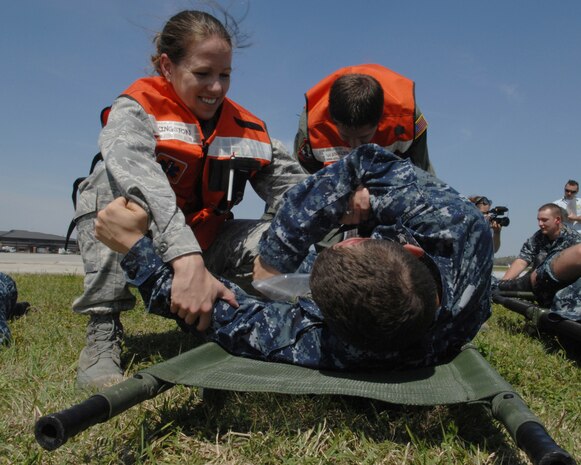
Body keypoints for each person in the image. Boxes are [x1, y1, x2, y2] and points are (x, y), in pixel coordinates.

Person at [95, 145, 493, 370]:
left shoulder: (337, 346)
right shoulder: (460, 227)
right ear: (410, 248)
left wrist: (132, 245)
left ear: (322, 318)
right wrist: (374, 204)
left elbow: (210, 312)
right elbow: (367, 162)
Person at [72, 9, 308, 388]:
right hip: (144, 246)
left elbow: (298, 191)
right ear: (167, 67)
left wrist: (346, 207)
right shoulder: (137, 109)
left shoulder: (248, 128)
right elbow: (134, 172)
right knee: (103, 184)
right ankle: (102, 331)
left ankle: (274, 315)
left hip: (210, 243)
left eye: (225, 75)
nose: (216, 87)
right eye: (202, 74)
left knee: (284, 230)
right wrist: (185, 260)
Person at [293, 64, 435, 175]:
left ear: (380, 120)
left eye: (364, 137)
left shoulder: (408, 118)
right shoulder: (311, 125)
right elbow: (299, 184)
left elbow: (423, 173)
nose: (355, 147)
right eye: (345, 136)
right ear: (333, 120)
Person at [500, 204, 581, 283]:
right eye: (538, 220)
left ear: (557, 220)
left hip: (563, 286)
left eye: (544, 220)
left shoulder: (574, 240)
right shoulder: (537, 237)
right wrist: (503, 283)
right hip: (536, 282)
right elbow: (522, 261)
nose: (540, 224)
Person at [0, 272, 30, 347]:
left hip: (5, 284)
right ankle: (18, 309)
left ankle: (19, 309)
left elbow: (3, 336)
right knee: (5, 312)